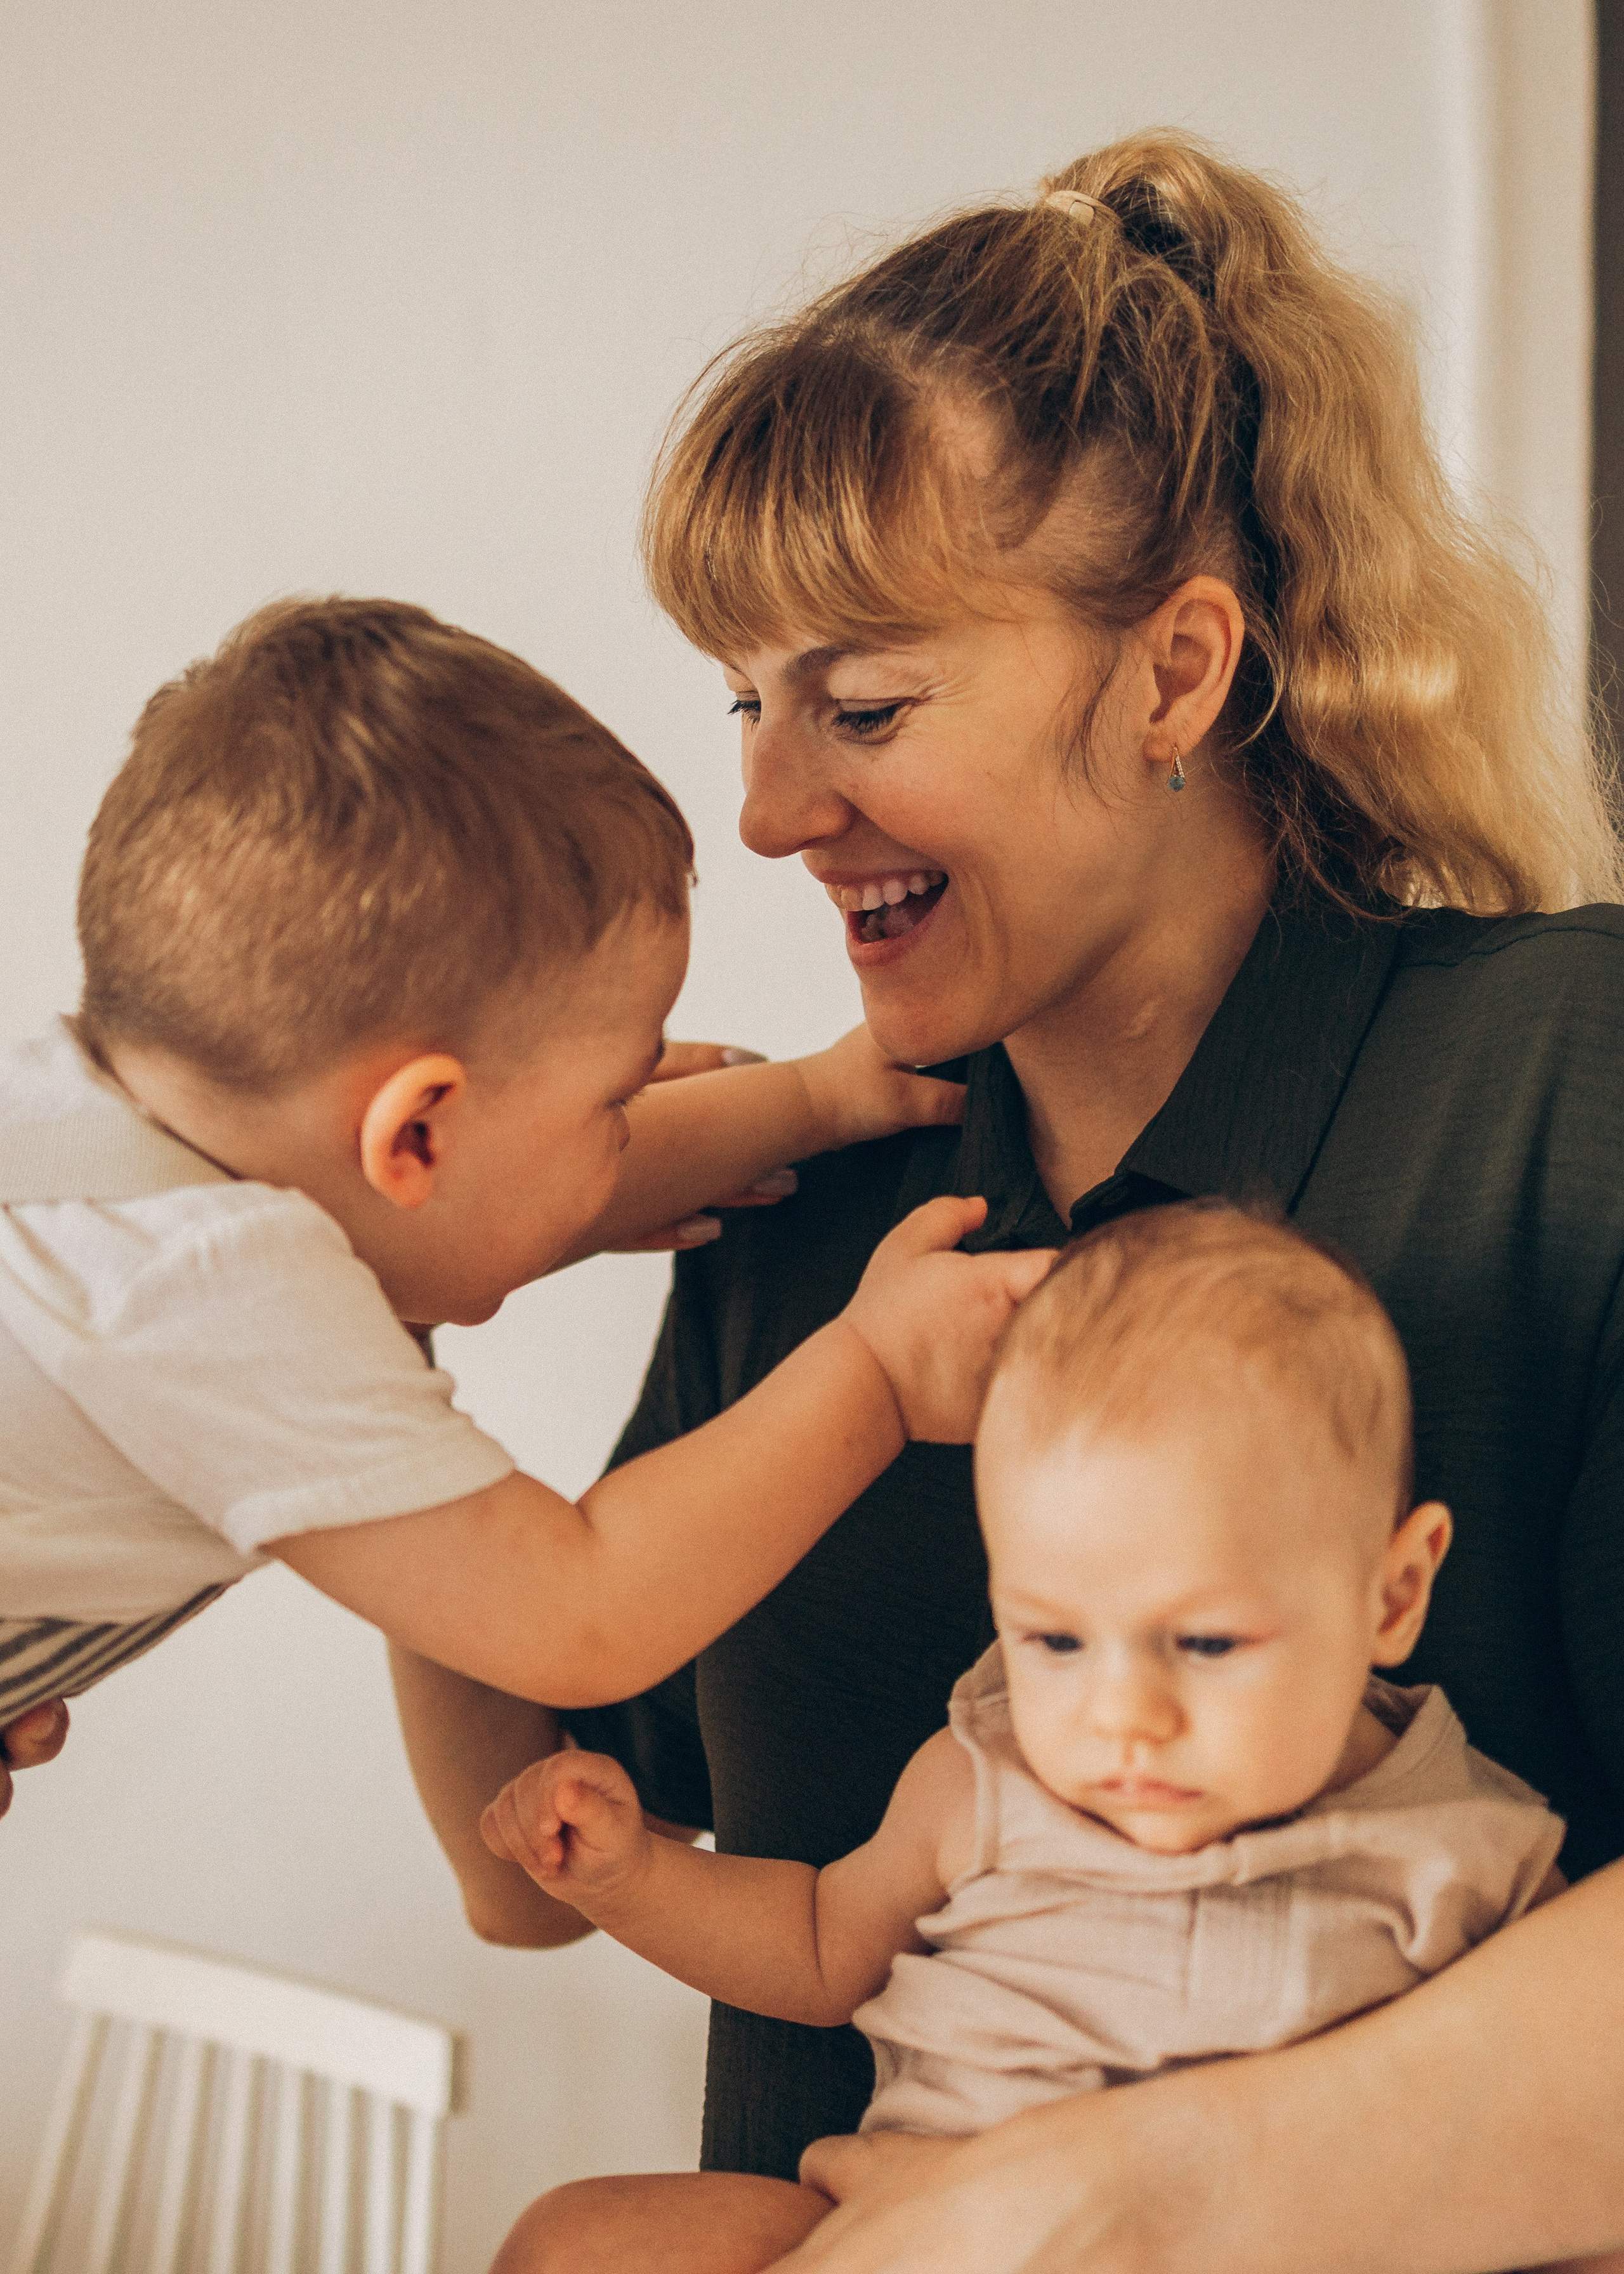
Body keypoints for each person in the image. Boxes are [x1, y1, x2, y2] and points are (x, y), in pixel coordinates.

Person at [400, 127, 1624, 2273]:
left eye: (864, 701)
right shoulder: (806, 1212)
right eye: (751, 706)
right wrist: (376, 1332)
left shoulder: (1563, 1088)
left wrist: (1112, 2207)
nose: (773, 809)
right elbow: (525, 1864)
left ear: (1174, 672)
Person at [0, 595, 1051, 1760]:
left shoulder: (94, 1147)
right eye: (617, 1100)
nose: (638, 1124)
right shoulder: (205, 1292)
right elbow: (580, 1615)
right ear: (414, 1139)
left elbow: (465, 1213)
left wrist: (821, 1098)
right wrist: (879, 1372)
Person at [480, 1203, 1591, 2274]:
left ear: (1392, 1595)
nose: (1122, 1718)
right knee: (577, 2244)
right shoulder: (985, 1785)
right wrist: (632, 1880)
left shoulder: (1469, 1855)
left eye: (1204, 1644)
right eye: (1055, 1640)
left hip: (1237, 2240)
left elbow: (1564, 2147)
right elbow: (819, 1946)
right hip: (892, 2228)